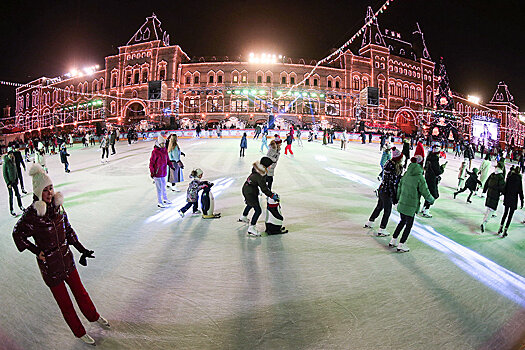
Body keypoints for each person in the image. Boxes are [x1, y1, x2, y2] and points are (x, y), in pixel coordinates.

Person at [12, 164, 109, 345]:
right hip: (51, 267)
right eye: (45, 190)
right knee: (66, 304)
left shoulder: (58, 208)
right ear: (38, 192)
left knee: (81, 293)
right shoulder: (32, 215)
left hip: (67, 259)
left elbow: (69, 231)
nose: (49, 193)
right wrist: (36, 251)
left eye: (51, 188)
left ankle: (94, 316)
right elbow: (17, 234)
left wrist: (82, 249)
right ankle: (79, 332)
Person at [389, 156, 435, 252]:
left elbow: (399, 187)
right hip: (411, 205)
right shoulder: (419, 177)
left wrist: (398, 199)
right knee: (408, 225)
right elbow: (425, 191)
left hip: (402, 203)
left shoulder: (406, 174)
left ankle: (393, 240)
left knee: (402, 221)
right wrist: (431, 199)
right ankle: (401, 244)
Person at [364, 149, 403, 236]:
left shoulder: (388, 164)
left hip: (382, 189)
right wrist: (395, 197)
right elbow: (392, 184)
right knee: (387, 210)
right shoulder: (394, 168)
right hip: (387, 191)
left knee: (379, 206)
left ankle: (370, 221)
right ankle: (382, 229)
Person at [239, 157, 279, 237]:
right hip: (250, 192)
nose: (271, 167)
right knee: (258, 210)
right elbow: (264, 188)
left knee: (250, 204)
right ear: (266, 166)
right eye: (270, 165)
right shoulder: (260, 175)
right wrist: (271, 195)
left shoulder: (258, 170)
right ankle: (251, 228)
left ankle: (243, 216)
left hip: (247, 189)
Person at [421, 146, 446, 218]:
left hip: (428, 178)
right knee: (434, 195)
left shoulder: (430, 158)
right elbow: (438, 172)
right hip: (432, 180)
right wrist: (442, 168)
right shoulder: (435, 160)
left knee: (429, 193)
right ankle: (426, 210)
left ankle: (424, 208)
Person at [498, 166, 523, 237]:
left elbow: (505, 188)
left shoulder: (510, 177)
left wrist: (503, 194)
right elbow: (520, 191)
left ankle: (500, 227)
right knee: (510, 216)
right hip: (513, 200)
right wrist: (522, 201)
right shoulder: (519, 180)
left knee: (505, 213)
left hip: (507, 198)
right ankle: (505, 230)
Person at [480, 162, 506, 233]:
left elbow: (487, 183)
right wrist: (504, 193)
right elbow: (502, 188)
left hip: (489, 193)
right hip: (495, 195)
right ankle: (484, 223)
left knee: (488, 208)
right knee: (491, 210)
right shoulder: (500, 176)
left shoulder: (492, 174)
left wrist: (484, 191)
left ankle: (484, 221)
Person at [149, 135, 170, 208]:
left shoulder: (165, 150)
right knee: (159, 188)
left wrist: (171, 165)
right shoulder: (155, 152)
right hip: (157, 173)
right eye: (162, 144)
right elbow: (151, 163)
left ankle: (165, 199)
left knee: (164, 186)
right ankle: (159, 202)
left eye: (164, 144)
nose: (163, 145)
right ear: (158, 144)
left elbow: (167, 159)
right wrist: (152, 172)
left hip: (163, 172)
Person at [3, 147, 24, 216]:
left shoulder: (13, 160)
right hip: (9, 182)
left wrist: (17, 179)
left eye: (12, 154)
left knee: (17, 194)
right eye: (10, 154)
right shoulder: (6, 162)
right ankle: (11, 209)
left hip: (14, 181)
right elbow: (4, 173)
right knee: (11, 196)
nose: (11, 155)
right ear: (8, 154)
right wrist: (8, 182)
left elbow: (16, 171)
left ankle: (20, 206)